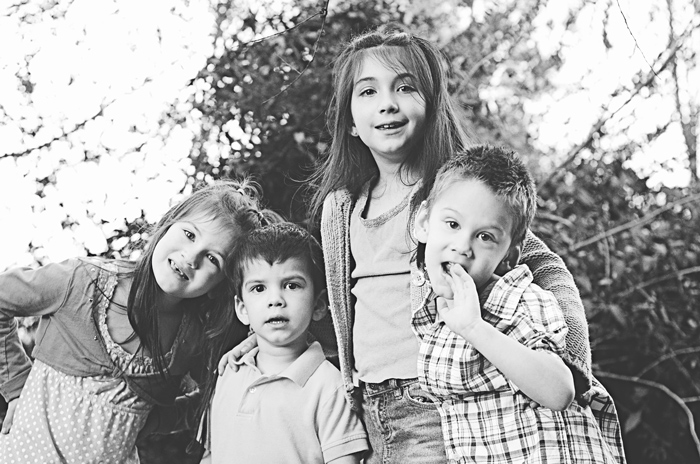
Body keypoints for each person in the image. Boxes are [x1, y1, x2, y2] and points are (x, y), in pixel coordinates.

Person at [222, 26, 616, 464]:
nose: (387, 103)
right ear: (349, 122)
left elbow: (545, 266)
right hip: (367, 404)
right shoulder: (342, 207)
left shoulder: (450, 197)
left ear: (431, 106)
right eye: (367, 91)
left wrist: (570, 359)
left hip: (433, 402)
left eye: (405, 87)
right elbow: (335, 308)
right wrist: (263, 343)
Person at [0, 179, 277, 464]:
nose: (191, 257)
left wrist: (153, 420)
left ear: (220, 285)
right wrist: (16, 386)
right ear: (167, 224)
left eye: (212, 258)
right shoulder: (80, 282)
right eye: (189, 234)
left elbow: (215, 397)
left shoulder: (191, 339)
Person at [413, 145, 625, 463]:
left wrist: (474, 328)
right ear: (423, 222)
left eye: (485, 237)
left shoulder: (519, 298)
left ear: (510, 256)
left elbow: (560, 391)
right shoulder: (436, 312)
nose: (462, 247)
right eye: (453, 224)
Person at [200, 223, 368, 464]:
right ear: (242, 309)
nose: (275, 300)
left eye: (292, 285)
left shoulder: (330, 387)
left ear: (319, 305)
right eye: (259, 288)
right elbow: (212, 454)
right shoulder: (229, 371)